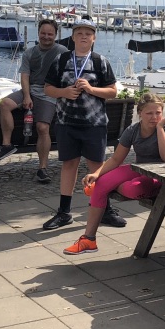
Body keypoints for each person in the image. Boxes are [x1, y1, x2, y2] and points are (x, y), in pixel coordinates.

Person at [63, 92, 165, 254]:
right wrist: (97, 174)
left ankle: (110, 187)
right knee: (100, 183)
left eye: (158, 113)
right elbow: (116, 159)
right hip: (138, 168)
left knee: (131, 189)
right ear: (140, 114)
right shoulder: (133, 129)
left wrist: (160, 129)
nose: (154, 117)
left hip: (159, 176)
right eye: (149, 113)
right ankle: (89, 239)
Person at [41, 21, 121, 230]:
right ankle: (64, 212)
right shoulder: (62, 59)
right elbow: (48, 88)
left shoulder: (99, 61)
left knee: (96, 166)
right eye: (79, 33)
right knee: (69, 164)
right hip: (67, 122)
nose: (84, 37)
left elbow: (113, 91)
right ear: (73, 37)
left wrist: (92, 89)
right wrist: (64, 92)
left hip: (94, 123)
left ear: (94, 38)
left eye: (88, 34)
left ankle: (106, 210)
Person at [0, 18, 68, 181]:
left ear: (55, 35)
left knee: (42, 127)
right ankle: (6, 145)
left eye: (50, 34)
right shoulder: (29, 53)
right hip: (31, 89)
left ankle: (42, 168)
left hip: (49, 93)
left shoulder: (62, 51)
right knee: (5, 104)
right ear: (38, 33)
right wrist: (26, 96)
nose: (46, 37)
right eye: (43, 33)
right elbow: (25, 76)